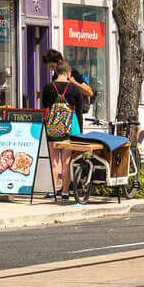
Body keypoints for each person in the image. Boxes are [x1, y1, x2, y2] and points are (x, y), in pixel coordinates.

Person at [41, 53, 87, 202]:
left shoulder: (48, 87)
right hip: (70, 127)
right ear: (68, 72)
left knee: (54, 161)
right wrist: (79, 131)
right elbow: (79, 111)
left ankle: (54, 191)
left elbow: (45, 105)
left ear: (56, 72)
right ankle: (65, 192)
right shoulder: (74, 89)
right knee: (66, 161)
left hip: (53, 127)